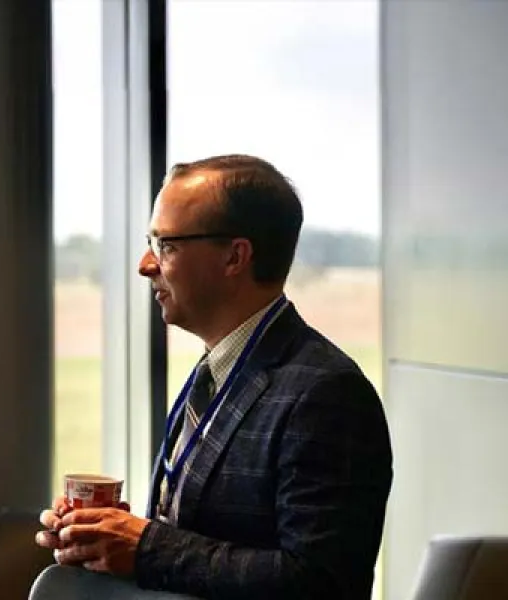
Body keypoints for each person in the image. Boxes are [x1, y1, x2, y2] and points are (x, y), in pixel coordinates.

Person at [35, 154, 393, 599]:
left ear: (235, 257)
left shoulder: (326, 394)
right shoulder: (218, 372)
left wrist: (146, 546)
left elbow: (318, 583)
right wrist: (108, 538)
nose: (146, 263)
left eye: (166, 244)